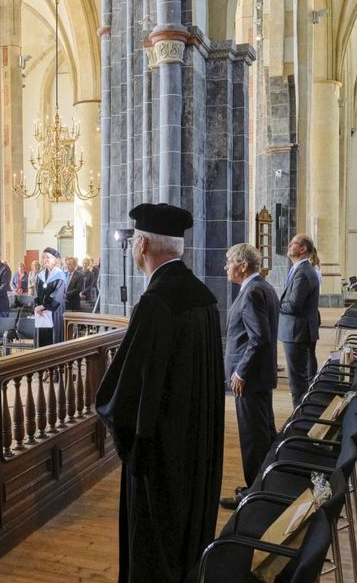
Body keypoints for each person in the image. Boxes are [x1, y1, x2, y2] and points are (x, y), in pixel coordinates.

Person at [95, 203, 224, 583]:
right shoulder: (203, 298)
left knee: (156, 552)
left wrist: (111, 412)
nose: (134, 246)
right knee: (189, 545)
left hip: (162, 460)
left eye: (135, 240)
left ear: (144, 244)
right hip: (197, 448)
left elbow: (125, 395)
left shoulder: (156, 303)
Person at [220, 243, 280, 510]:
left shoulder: (253, 292)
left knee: (253, 439)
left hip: (250, 379)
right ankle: (266, 488)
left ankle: (254, 496)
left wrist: (240, 371)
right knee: (264, 434)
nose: (226, 267)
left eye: (229, 262)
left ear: (243, 266)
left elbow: (259, 338)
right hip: (260, 376)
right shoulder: (263, 287)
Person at [279, 234, 321, 407]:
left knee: (297, 381)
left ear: (303, 249)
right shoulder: (300, 269)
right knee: (302, 377)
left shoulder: (303, 272)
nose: (289, 244)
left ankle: (300, 420)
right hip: (301, 328)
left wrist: (275, 304)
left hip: (296, 331)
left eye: (293, 243)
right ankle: (303, 415)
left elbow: (294, 306)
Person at [34, 248, 68, 345]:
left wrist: (44, 306)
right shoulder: (39, 275)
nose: (45, 260)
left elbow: (57, 295)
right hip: (41, 312)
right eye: (43, 257)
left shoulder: (60, 275)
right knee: (41, 339)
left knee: (53, 339)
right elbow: (36, 293)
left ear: (55, 260)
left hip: (54, 311)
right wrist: (37, 306)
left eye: (48, 257)